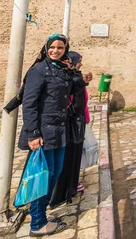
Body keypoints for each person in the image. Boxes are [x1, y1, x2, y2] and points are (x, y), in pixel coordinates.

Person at [17, 34, 88, 236]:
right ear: (46, 48)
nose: (56, 50)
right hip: (43, 134)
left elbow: (75, 88)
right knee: (42, 178)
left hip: (59, 131)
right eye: (52, 47)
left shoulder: (60, 70)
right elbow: (29, 104)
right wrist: (32, 134)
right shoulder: (38, 71)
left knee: (54, 175)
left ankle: (41, 216)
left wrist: (75, 72)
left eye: (60, 47)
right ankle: (37, 223)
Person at [50, 51, 93, 208]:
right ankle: (63, 191)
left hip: (78, 121)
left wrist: (85, 117)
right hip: (70, 122)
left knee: (74, 156)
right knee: (67, 157)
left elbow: (84, 100)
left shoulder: (76, 77)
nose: (80, 63)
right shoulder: (68, 78)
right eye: (78, 61)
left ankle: (72, 186)